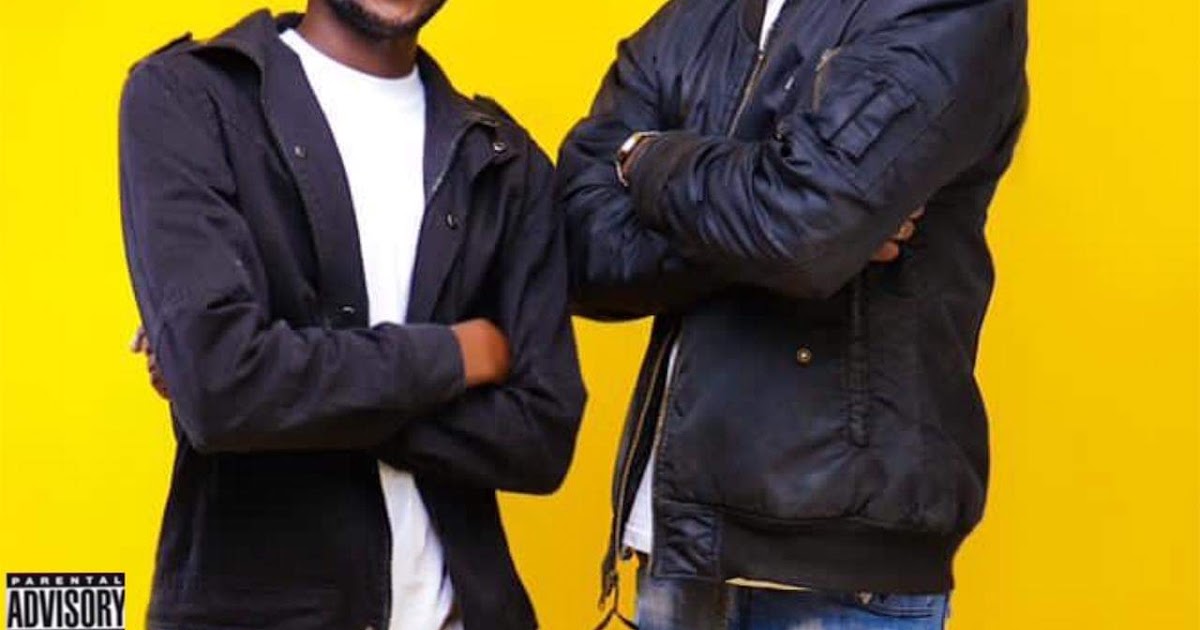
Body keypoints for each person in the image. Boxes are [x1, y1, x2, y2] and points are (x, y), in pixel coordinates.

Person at [557, 0, 1028, 627]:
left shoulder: (949, 8)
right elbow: (581, 247)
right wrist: (772, 222)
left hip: (840, 572)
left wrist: (644, 158)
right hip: (678, 552)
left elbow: (809, 225)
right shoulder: (697, 18)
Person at [119, 1, 585, 628]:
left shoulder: (503, 161)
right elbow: (222, 388)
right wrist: (455, 355)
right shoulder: (190, 99)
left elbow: (541, 439)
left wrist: (280, 390)